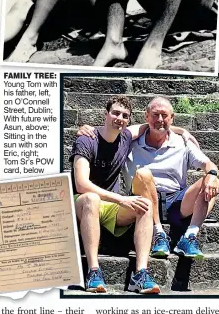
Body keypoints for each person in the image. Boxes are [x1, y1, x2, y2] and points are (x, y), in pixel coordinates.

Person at [71, 96, 160, 294]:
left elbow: (151, 125)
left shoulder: (126, 136)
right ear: (106, 114)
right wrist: (121, 199)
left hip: (109, 207)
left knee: (144, 204)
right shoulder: (87, 139)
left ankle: (141, 274)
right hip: (81, 203)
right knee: (92, 198)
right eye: (116, 113)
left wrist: (182, 131)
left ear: (128, 120)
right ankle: (94, 271)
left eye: (125, 116)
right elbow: (81, 184)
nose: (120, 118)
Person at [121, 97, 219, 260]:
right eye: (155, 115)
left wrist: (212, 175)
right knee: (144, 174)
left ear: (172, 118)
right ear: (146, 117)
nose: (160, 119)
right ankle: (158, 234)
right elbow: (109, 134)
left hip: (176, 201)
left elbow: (208, 164)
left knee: (211, 180)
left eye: (164, 115)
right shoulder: (131, 142)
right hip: (142, 200)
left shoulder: (182, 142)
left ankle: (189, 237)